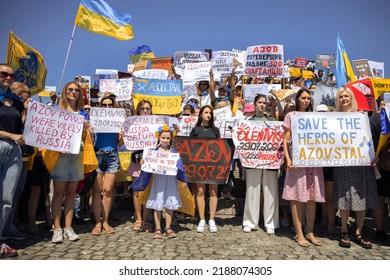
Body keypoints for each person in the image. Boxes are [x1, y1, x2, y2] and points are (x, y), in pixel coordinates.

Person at [333, 87, 378, 249]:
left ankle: (358, 232)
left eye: (346, 96)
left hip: (360, 162)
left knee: (361, 197)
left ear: (351, 98)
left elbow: (368, 138)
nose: (344, 98)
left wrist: (373, 155)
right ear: (337, 100)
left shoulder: (361, 117)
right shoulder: (332, 117)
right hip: (343, 164)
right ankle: (344, 231)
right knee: (344, 197)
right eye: (341, 96)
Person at [282, 88, 325, 247]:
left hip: (313, 161)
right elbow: (286, 140)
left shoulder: (316, 117)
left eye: (308, 98)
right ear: (297, 99)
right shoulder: (291, 116)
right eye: (303, 98)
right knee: (297, 196)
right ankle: (299, 233)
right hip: (297, 161)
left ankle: (310, 231)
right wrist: (288, 159)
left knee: (312, 197)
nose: (306, 101)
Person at [49, 81, 89, 243]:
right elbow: (50, 135)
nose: (73, 92)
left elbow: (86, 138)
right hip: (60, 156)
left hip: (77, 155)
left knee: (72, 193)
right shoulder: (56, 112)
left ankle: (68, 227)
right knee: (58, 193)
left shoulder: (82, 113)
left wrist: (88, 130)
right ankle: (57, 228)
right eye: (70, 89)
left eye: (76, 90)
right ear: (65, 92)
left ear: (80, 94)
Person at [242, 94, 280, 235]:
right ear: (255, 104)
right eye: (260, 102)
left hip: (270, 159)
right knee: (252, 189)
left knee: (271, 189)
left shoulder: (272, 121)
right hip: (253, 159)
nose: (262, 105)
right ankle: (250, 221)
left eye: (264, 103)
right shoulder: (249, 122)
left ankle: (270, 222)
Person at [0, 63, 24, 258]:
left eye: (11, 75)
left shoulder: (16, 101)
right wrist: (10, 135)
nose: (7, 78)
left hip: (14, 152)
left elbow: (24, 126)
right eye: (3, 74)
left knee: (7, 197)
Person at [90, 95, 124, 235]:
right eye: (104, 105)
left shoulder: (118, 120)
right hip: (97, 153)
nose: (107, 107)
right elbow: (91, 142)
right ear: (100, 106)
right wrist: (91, 133)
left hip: (112, 154)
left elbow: (120, 144)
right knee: (97, 190)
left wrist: (121, 135)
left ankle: (105, 221)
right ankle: (97, 222)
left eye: (110, 105)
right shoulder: (95, 119)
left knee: (108, 190)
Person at [190, 105, 220, 233]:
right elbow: (190, 147)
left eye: (210, 113)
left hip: (213, 165)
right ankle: (202, 219)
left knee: (213, 192)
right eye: (206, 112)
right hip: (199, 165)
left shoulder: (215, 130)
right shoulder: (195, 130)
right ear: (201, 114)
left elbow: (220, 147)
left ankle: (212, 219)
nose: (208, 115)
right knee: (200, 191)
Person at [129, 100, 153, 232]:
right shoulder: (132, 124)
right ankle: (138, 219)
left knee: (147, 191)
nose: (145, 111)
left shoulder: (156, 124)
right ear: (138, 110)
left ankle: (146, 218)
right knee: (137, 191)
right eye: (143, 109)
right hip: (136, 160)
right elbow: (123, 143)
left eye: (147, 109)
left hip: (150, 161)